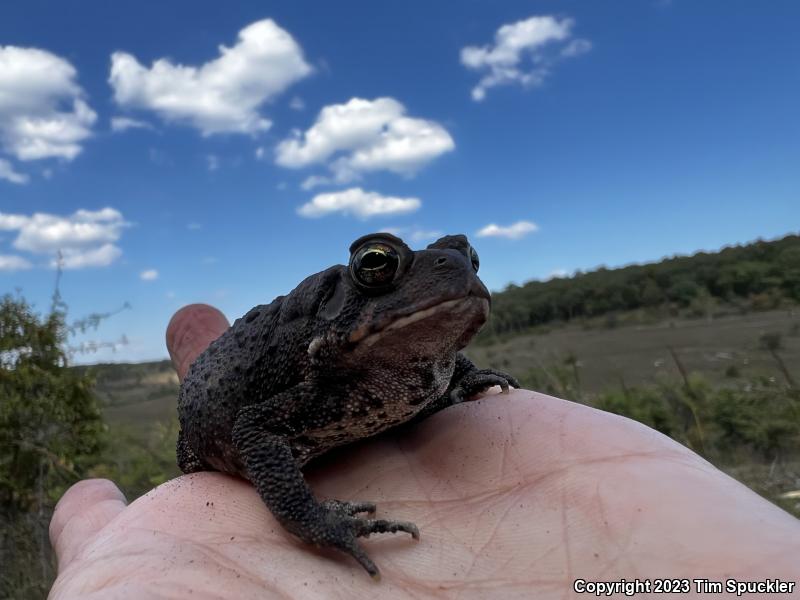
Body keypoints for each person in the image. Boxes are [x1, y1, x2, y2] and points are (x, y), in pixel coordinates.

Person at [48, 305, 800, 598]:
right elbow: (251, 431)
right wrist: (314, 521)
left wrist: (459, 377)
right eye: (382, 270)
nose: (446, 278)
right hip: (214, 426)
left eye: (460, 261)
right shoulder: (317, 368)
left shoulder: (426, 361)